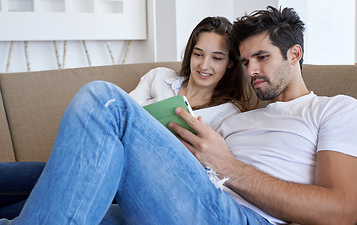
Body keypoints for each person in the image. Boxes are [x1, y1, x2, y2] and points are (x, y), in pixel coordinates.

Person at [1, 6, 357, 225]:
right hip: (181, 196)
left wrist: (226, 166)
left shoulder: (334, 108)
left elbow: (342, 211)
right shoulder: (239, 120)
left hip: (233, 216)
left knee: (106, 101)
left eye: (262, 57)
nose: (252, 70)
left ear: (294, 53)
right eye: (247, 61)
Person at [0, 16, 253, 221]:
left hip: (145, 181)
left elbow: (210, 175)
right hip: (107, 158)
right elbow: (120, 113)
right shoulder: (159, 77)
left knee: (55, 180)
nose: (204, 65)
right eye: (198, 54)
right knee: (49, 176)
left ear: (230, 64)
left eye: (217, 58)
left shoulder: (228, 113)